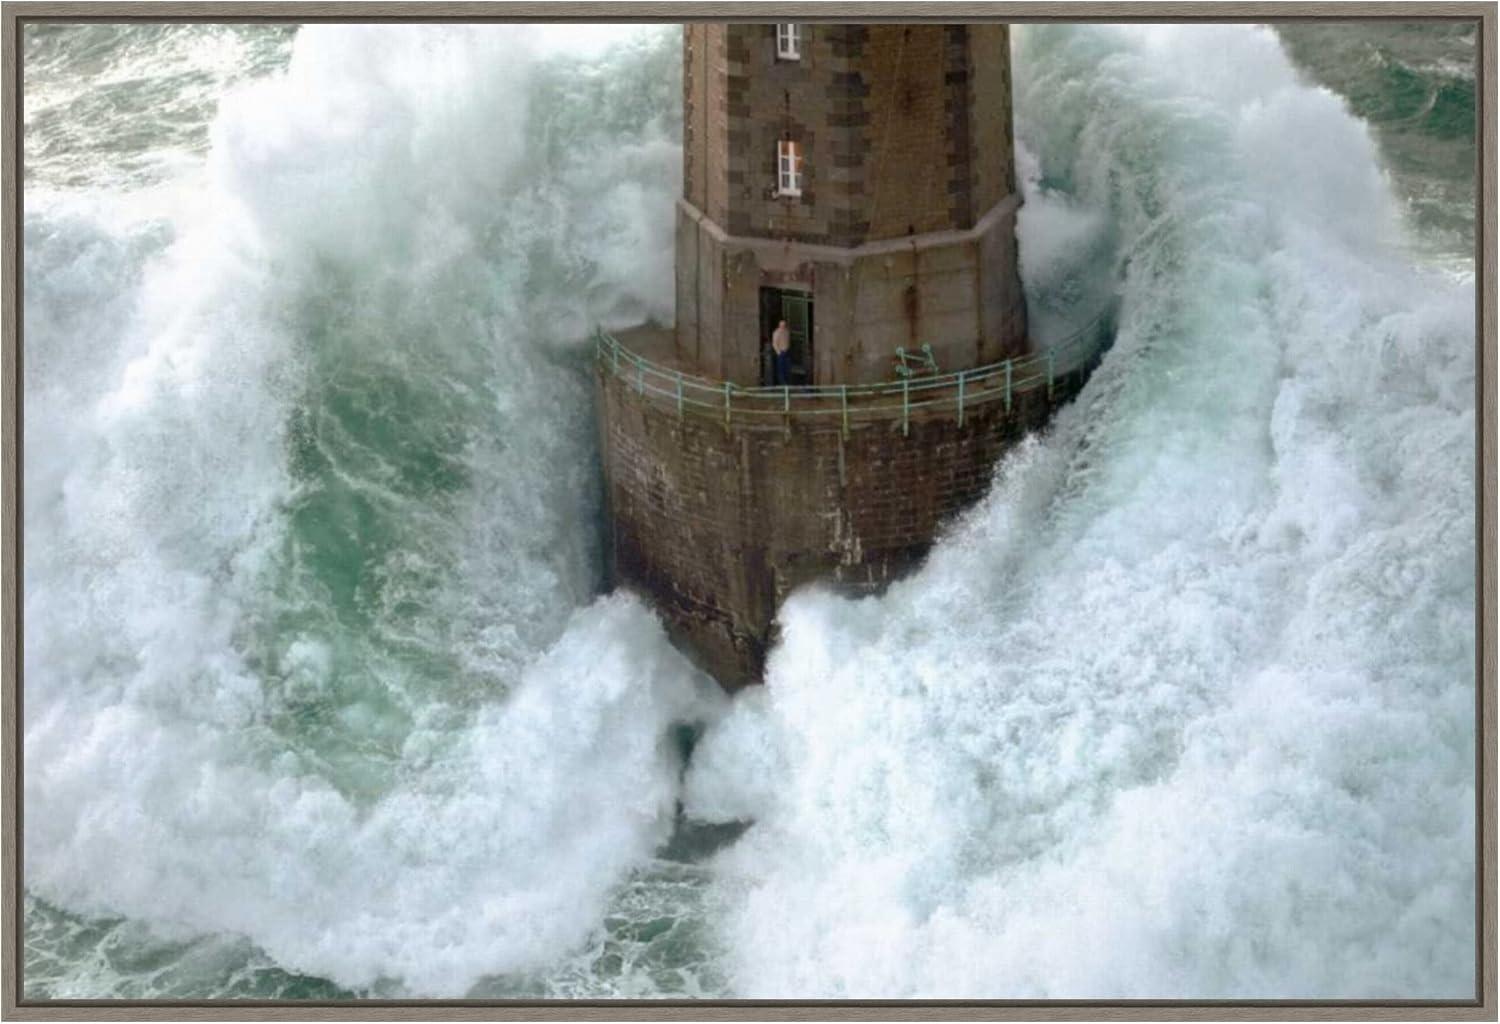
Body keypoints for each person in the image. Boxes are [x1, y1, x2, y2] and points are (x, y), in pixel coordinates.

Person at [771, 319, 792, 386]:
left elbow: (788, 340)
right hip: (781, 352)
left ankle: (787, 383)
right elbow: (774, 343)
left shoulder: (787, 332)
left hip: (787, 351)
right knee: (781, 369)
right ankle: (782, 384)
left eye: (784, 325)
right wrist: (778, 352)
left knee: (787, 368)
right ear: (779, 325)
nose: (783, 326)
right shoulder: (776, 333)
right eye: (782, 325)